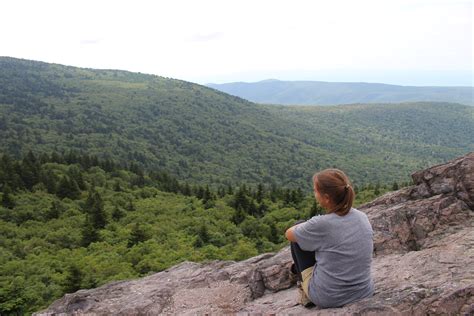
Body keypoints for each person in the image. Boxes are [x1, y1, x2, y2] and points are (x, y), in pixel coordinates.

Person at [285, 168, 374, 308]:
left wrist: (307, 225)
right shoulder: (362, 217)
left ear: (326, 198)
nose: (314, 194)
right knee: (312, 238)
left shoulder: (321, 224)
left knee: (298, 230)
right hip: (363, 291)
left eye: (315, 191)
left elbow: (289, 234)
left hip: (328, 297)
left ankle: (305, 293)